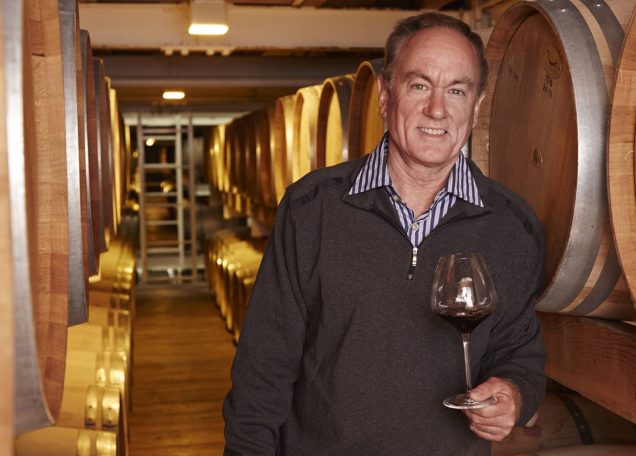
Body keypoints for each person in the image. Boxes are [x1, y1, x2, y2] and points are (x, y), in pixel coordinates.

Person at [223, 12, 546, 455]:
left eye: (456, 90)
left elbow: (520, 353)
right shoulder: (312, 209)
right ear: (384, 95)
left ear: (477, 106)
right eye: (419, 85)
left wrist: (514, 391)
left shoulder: (512, 226)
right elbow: (262, 373)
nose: (437, 108)